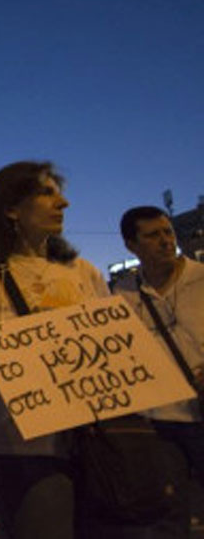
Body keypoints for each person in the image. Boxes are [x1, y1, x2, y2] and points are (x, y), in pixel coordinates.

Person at [0, 161, 108, 539]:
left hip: (97, 448)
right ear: (11, 209)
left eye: (60, 193)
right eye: (47, 193)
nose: (64, 203)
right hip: (22, 453)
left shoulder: (84, 274)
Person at [113, 205, 204, 535]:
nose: (166, 241)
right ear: (131, 245)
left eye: (168, 232)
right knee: (168, 514)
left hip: (201, 412)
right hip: (159, 424)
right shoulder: (121, 295)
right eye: (153, 235)